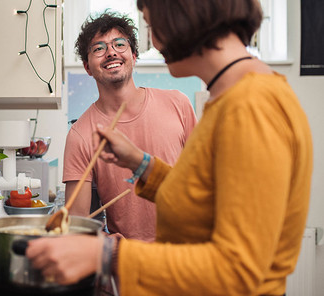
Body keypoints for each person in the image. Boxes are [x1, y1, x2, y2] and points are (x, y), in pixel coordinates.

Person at [26, 1, 313, 295]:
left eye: (152, 27)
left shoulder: (250, 107)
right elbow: (202, 201)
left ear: (183, 18)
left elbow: (238, 270)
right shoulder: (232, 98)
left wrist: (107, 254)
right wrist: (141, 163)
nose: (155, 44)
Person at [63, 11, 197, 241]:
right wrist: (106, 243)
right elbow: (76, 224)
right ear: (87, 67)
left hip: (188, 254)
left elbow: (203, 180)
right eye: (98, 48)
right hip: (130, 263)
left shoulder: (178, 103)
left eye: (119, 44)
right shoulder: (81, 135)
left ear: (134, 56)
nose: (111, 52)